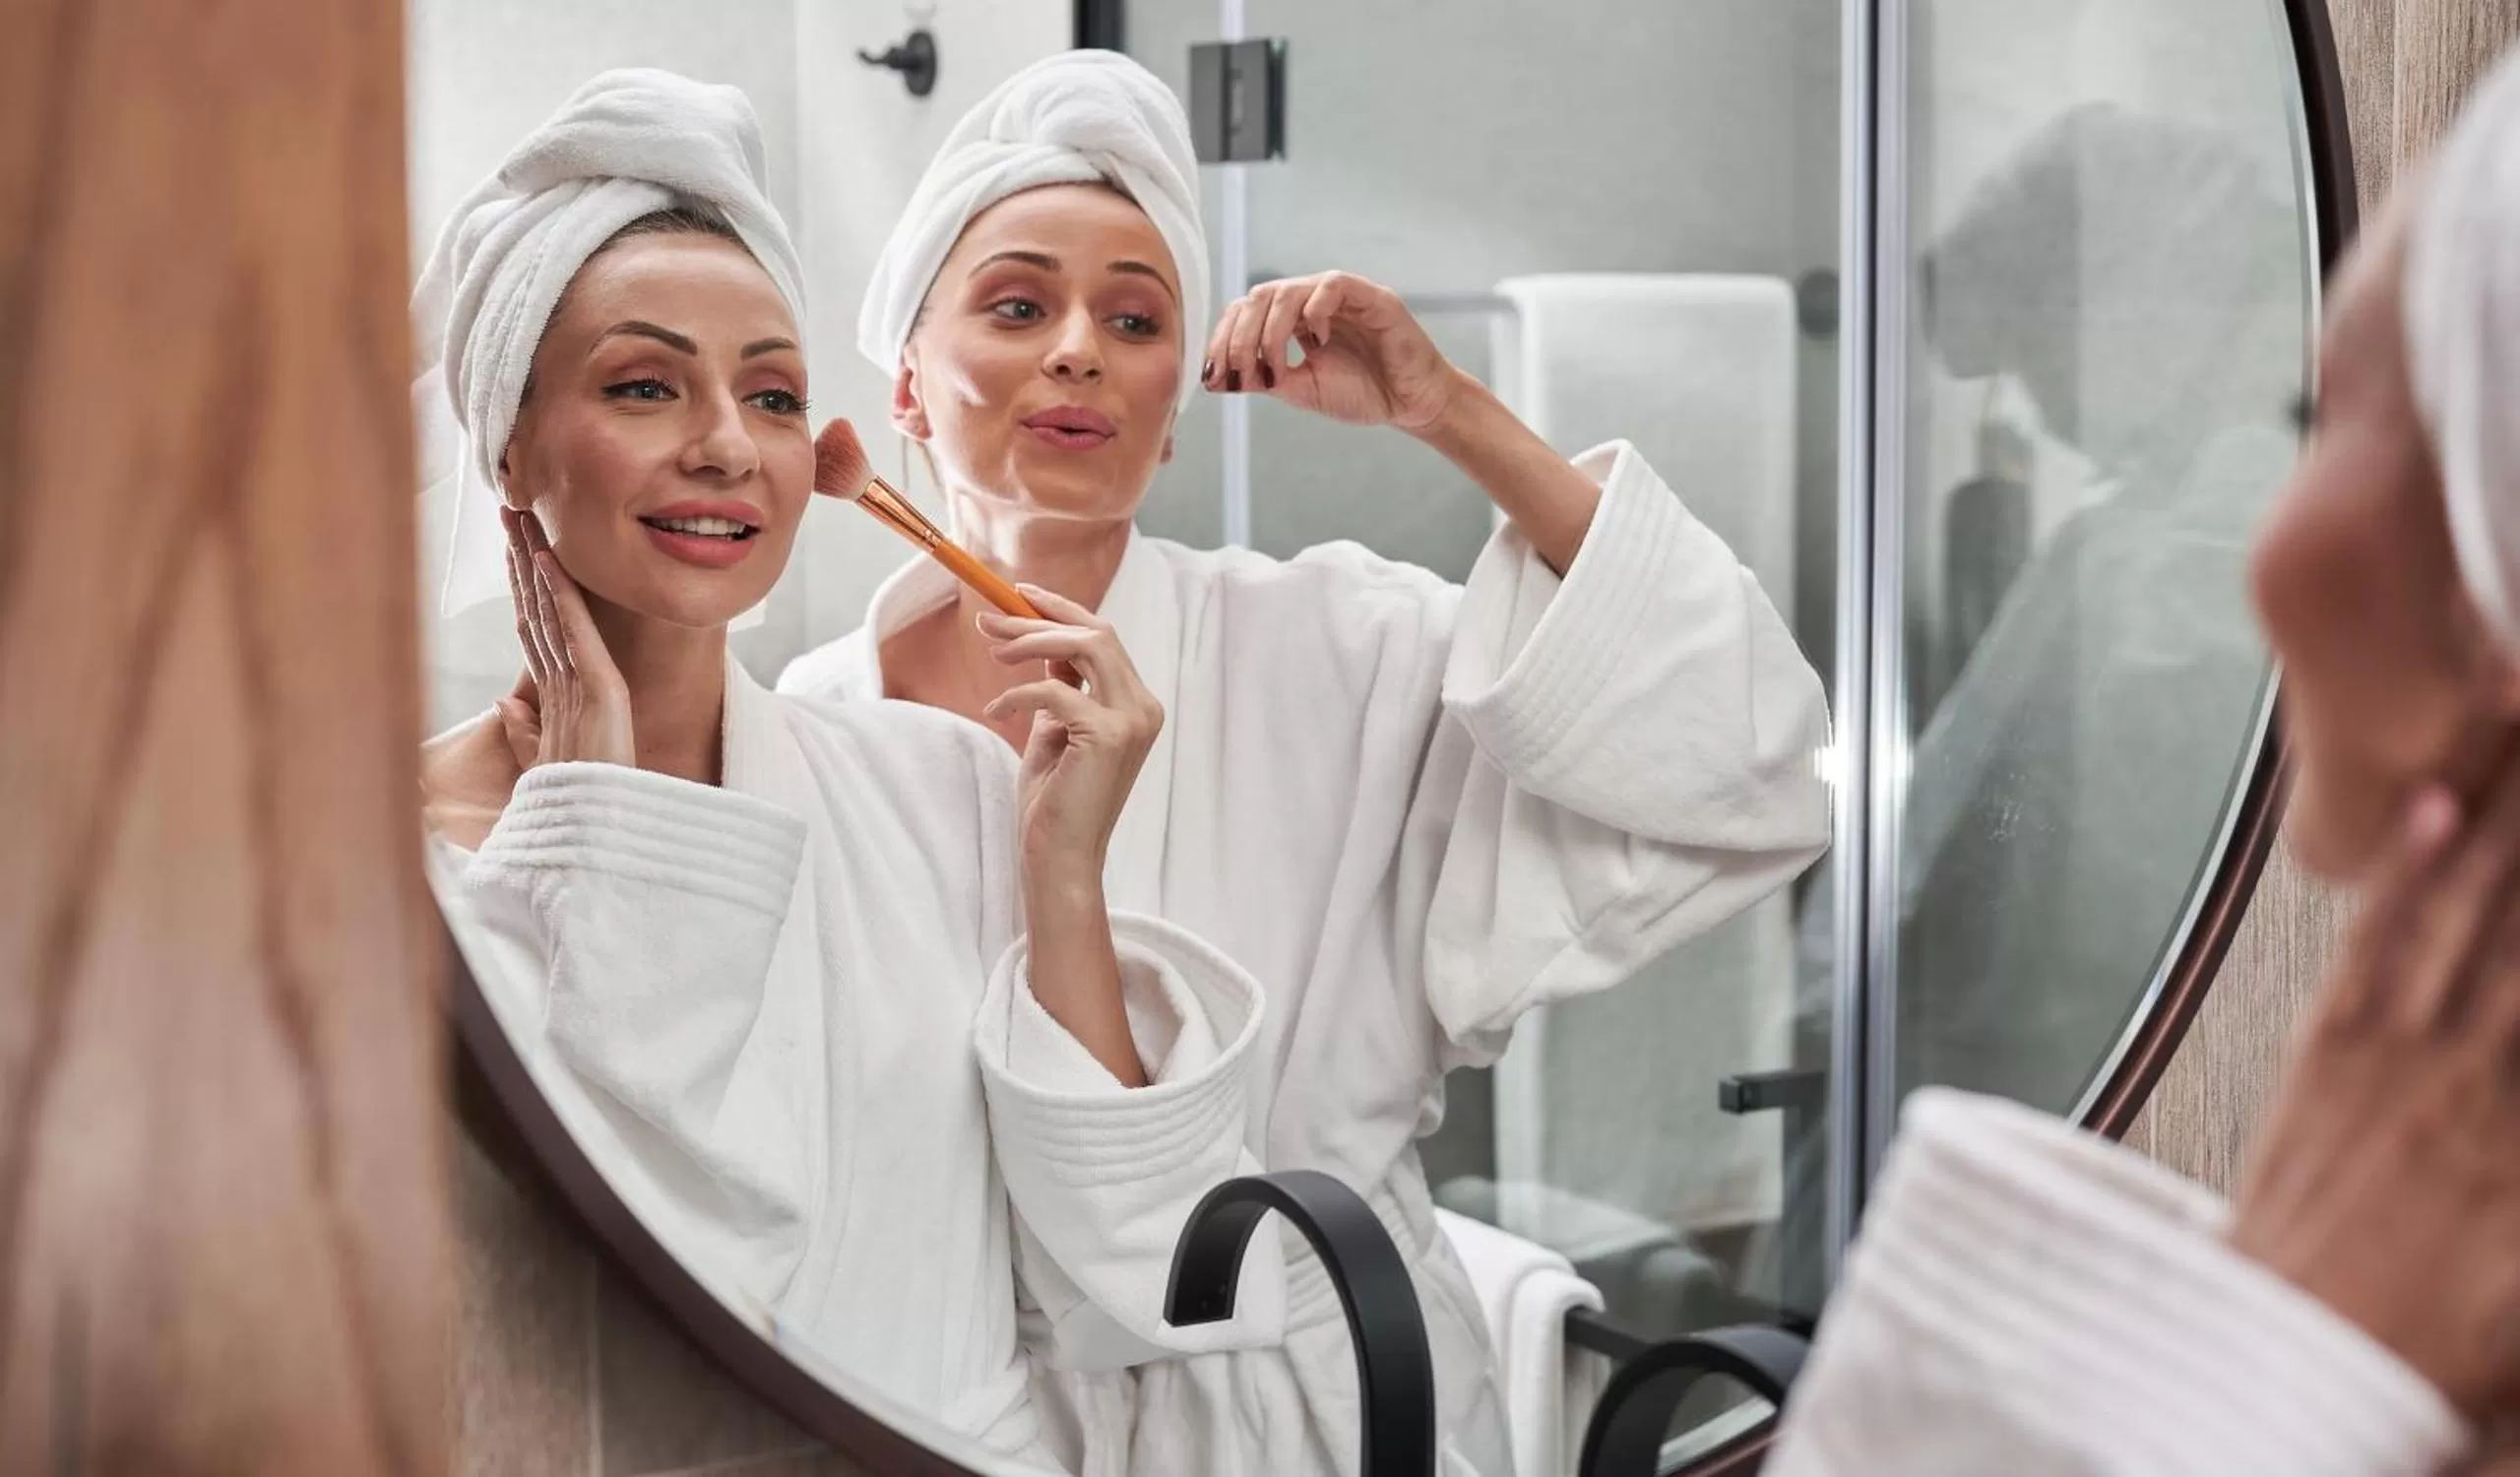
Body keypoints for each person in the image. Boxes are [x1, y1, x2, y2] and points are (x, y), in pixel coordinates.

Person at [779, 49, 1834, 1477]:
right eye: (1019, 305)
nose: (1080, 347)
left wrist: (1447, 409)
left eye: (1136, 318)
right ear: (905, 385)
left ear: (1171, 417)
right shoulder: (821, 722)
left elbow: (1740, 751)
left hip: (1328, 1411)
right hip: (963, 1410)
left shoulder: (1341, 646)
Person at [411, 69, 1281, 1467]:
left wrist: (1063, 868)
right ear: (507, 445)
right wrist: (599, 819)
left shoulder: (930, 783)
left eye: (771, 396)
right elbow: (598, 1291)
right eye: (645, 385)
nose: (725, 446)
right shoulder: (407, 864)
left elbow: (1135, 1272)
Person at [1767, 44, 2520, 1476]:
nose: (2277, 556)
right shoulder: (2118, 542)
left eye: (2322, 418)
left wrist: (2295, 1341)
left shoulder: (2171, 560)